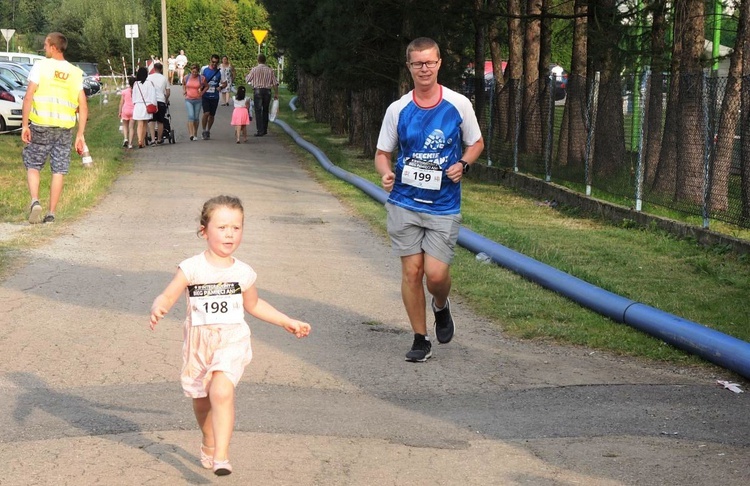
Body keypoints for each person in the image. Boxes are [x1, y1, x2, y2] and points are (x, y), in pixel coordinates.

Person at [149, 195, 311, 476]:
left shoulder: (243, 272)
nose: (229, 234)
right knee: (201, 401)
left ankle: (222, 455)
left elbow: (254, 305)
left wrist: (286, 321)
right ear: (204, 231)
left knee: (222, 391)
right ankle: (209, 439)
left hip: (231, 341)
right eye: (222, 227)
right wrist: (159, 305)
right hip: (199, 345)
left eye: (236, 228)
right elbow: (169, 293)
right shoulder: (191, 268)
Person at [374, 37, 484, 362]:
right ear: (409, 67)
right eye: (418, 63)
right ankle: (420, 339)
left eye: (430, 62)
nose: (425, 68)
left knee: (435, 275)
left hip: (443, 205)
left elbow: (476, 143)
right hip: (404, 202)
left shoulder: (458, 104)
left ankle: (441, 305)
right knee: (412, 271)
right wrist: (385, 173)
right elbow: (382, 153)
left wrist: (463, 164)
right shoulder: (398, 109)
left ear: (439, 64)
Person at [21, 32, 88, 225]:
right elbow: (82, 105)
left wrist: (25, 125)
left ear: (53, 47)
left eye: (45, 45)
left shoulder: (41, 66)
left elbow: (28, 96)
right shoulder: (75, 72)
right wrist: (80, 135)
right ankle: (51, 213)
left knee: (33, 164)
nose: (44, 48)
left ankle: (35, 201)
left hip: (40, 125)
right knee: (58, 169)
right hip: (64, 129)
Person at [244, 54, 278, 137]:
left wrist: (246, 76)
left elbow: (248, 79)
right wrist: (276, 93)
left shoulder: (254, 69)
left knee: (258, 110)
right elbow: (275, 83)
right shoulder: (270, 70)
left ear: (258, 60)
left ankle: (260, 130)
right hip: (267, 91)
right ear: (265, 60)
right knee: (265, 110)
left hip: (258, 91)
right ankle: (265, 129)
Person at [199, 54, 224, 140]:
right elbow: (199, 79)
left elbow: (225, 83)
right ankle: (203, 130)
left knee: (212, 115)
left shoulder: (220, 71)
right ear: (210, 60)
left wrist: (220, 87)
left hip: (215, 96)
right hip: (205, 95)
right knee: (206, 113)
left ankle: (208, 130)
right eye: (213, 62)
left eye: (216, 63)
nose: (214, 64)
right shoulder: (204, 69)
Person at [131, 66, 156, 148]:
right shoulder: (149, 83)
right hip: (147, 105)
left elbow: (133, 96)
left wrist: (134, 103)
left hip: (138, 105)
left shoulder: (135, 84)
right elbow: (153, 95)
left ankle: (139, 140)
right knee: (145, 123)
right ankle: (143, 140)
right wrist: (154, 105)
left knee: (139, 124)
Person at [147, 62, 170, 145]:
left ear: (154, 68)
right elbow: (168, 92)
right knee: (160, 121)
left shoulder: (149, 78)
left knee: (151, 120)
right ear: (161, 69)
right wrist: (166, 99)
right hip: (161, 100)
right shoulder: (164, 78)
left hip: (151, 101)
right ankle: (159, 139)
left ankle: (153, 139)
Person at [183, 64, 204, 141]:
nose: (194, 73)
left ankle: (195, 133)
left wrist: (202, 92)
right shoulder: (186, 77)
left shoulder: (201, 78)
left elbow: (206, 86)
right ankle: (191, 134)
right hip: (189, 99)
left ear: (198, 71)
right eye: (193, 72)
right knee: (191, 116)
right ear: (191, 71)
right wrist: (184, 90)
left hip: (198, 99)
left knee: (196, 117)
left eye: (196, 72)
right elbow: (184, 83)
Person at [118, 76, 136, 149]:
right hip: (133, 110)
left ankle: (125, 138)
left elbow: (121, 102)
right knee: (131, 127)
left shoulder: (124, 91)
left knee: (125, 126)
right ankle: (130, 143)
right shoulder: (136, 91)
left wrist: (119, 112)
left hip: (125, 110)